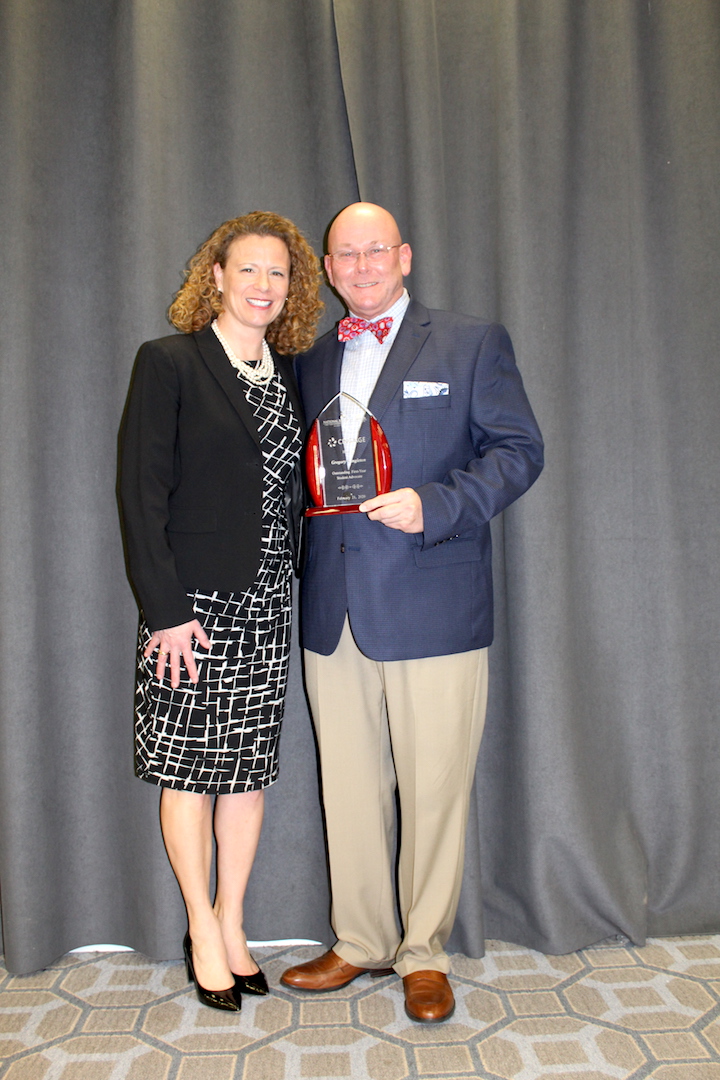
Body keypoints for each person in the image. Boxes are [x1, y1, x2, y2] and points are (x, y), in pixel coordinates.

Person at [281, 203, 543, 1023]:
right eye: (343, 255)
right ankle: (359, 939)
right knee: (349, 787)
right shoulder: (312, 359)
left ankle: (422, 951)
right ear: (326, 271)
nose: (359, 266)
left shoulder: (471, 341)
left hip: (434, 599)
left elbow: (518, 450)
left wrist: (436, 503)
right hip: (334, 610)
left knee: (434, 786)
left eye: (374, 251)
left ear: (404, 257)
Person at [119, 212, 322, 1011]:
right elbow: (140, 495)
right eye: (250, 270)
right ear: (216, 276)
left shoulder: (290, 372)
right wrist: (164, 610)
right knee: (188, 771)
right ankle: (200, 925)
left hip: (269, 601)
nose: (264, 286)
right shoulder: (169, 363)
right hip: (192, 608)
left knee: (244, 772)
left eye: (278, 273)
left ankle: (236, 921)